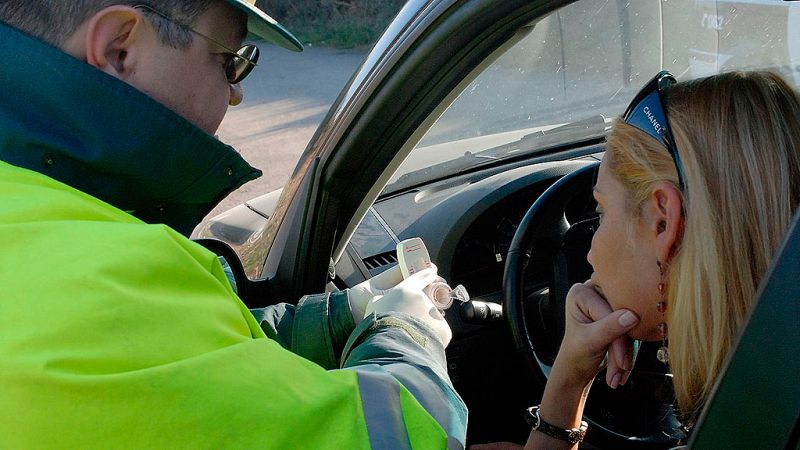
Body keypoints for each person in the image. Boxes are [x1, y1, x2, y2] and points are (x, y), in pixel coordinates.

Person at [0, 1, 466, 448]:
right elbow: (400, 437)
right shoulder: (111, 279)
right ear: (119, 49)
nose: (236, 93)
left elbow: (195, 351)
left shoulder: (46, 232)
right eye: (229, 62)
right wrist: (409, 332)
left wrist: (347, 312)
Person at [475, 70, 800, 450]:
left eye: (600, 213)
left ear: (663, 221)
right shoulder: (776, 395)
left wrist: (565, 385)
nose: (590, 252)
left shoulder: (741, 426)